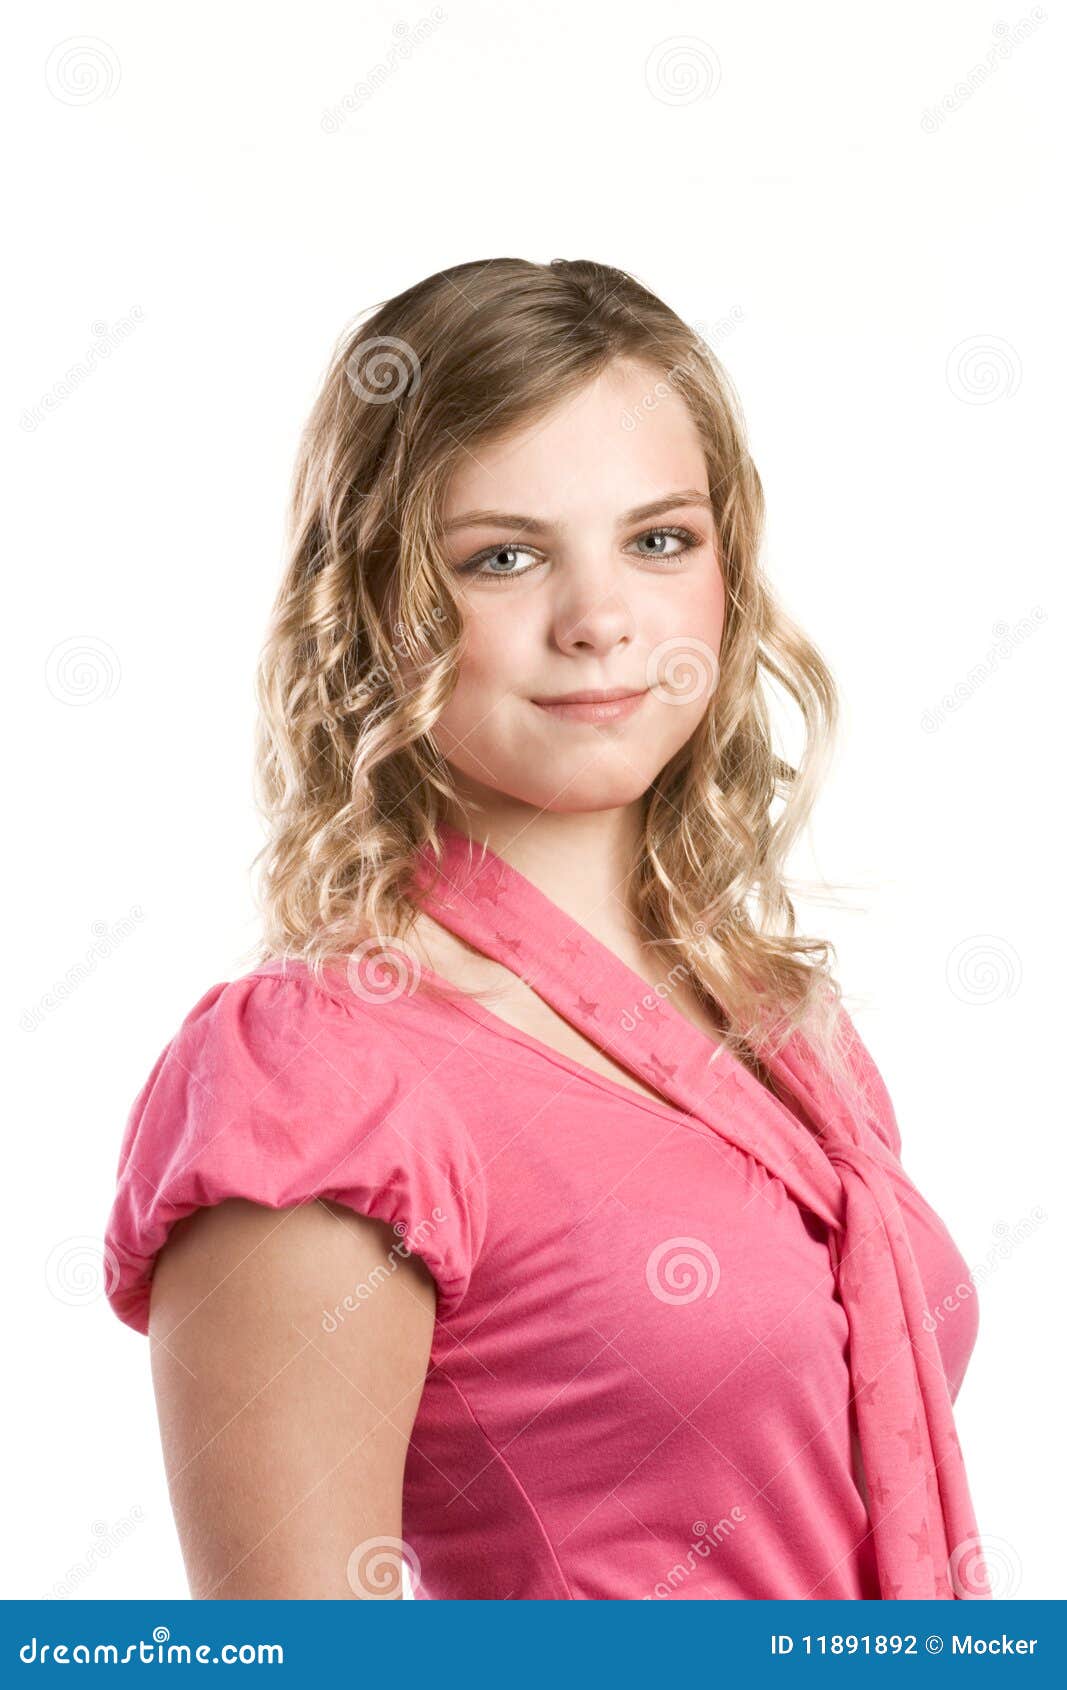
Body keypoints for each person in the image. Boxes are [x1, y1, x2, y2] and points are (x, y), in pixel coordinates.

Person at [103, 257, 986, 1602]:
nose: (600, 622)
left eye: (659, 539)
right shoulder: (321, 1075)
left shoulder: (786, 1031)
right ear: (379, 599)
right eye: (502, 556)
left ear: (727, 569)